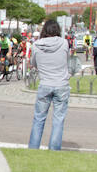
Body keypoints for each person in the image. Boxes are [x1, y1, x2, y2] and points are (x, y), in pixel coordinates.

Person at [28, 19, 70, 151]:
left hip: (45, 84)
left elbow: (33, 63)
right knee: (58, 120)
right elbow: (66, 60)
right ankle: (54, 149)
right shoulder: (64, 43)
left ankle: (33, 148)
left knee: (39, 119)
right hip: (61, 84)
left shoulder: (36, 45)